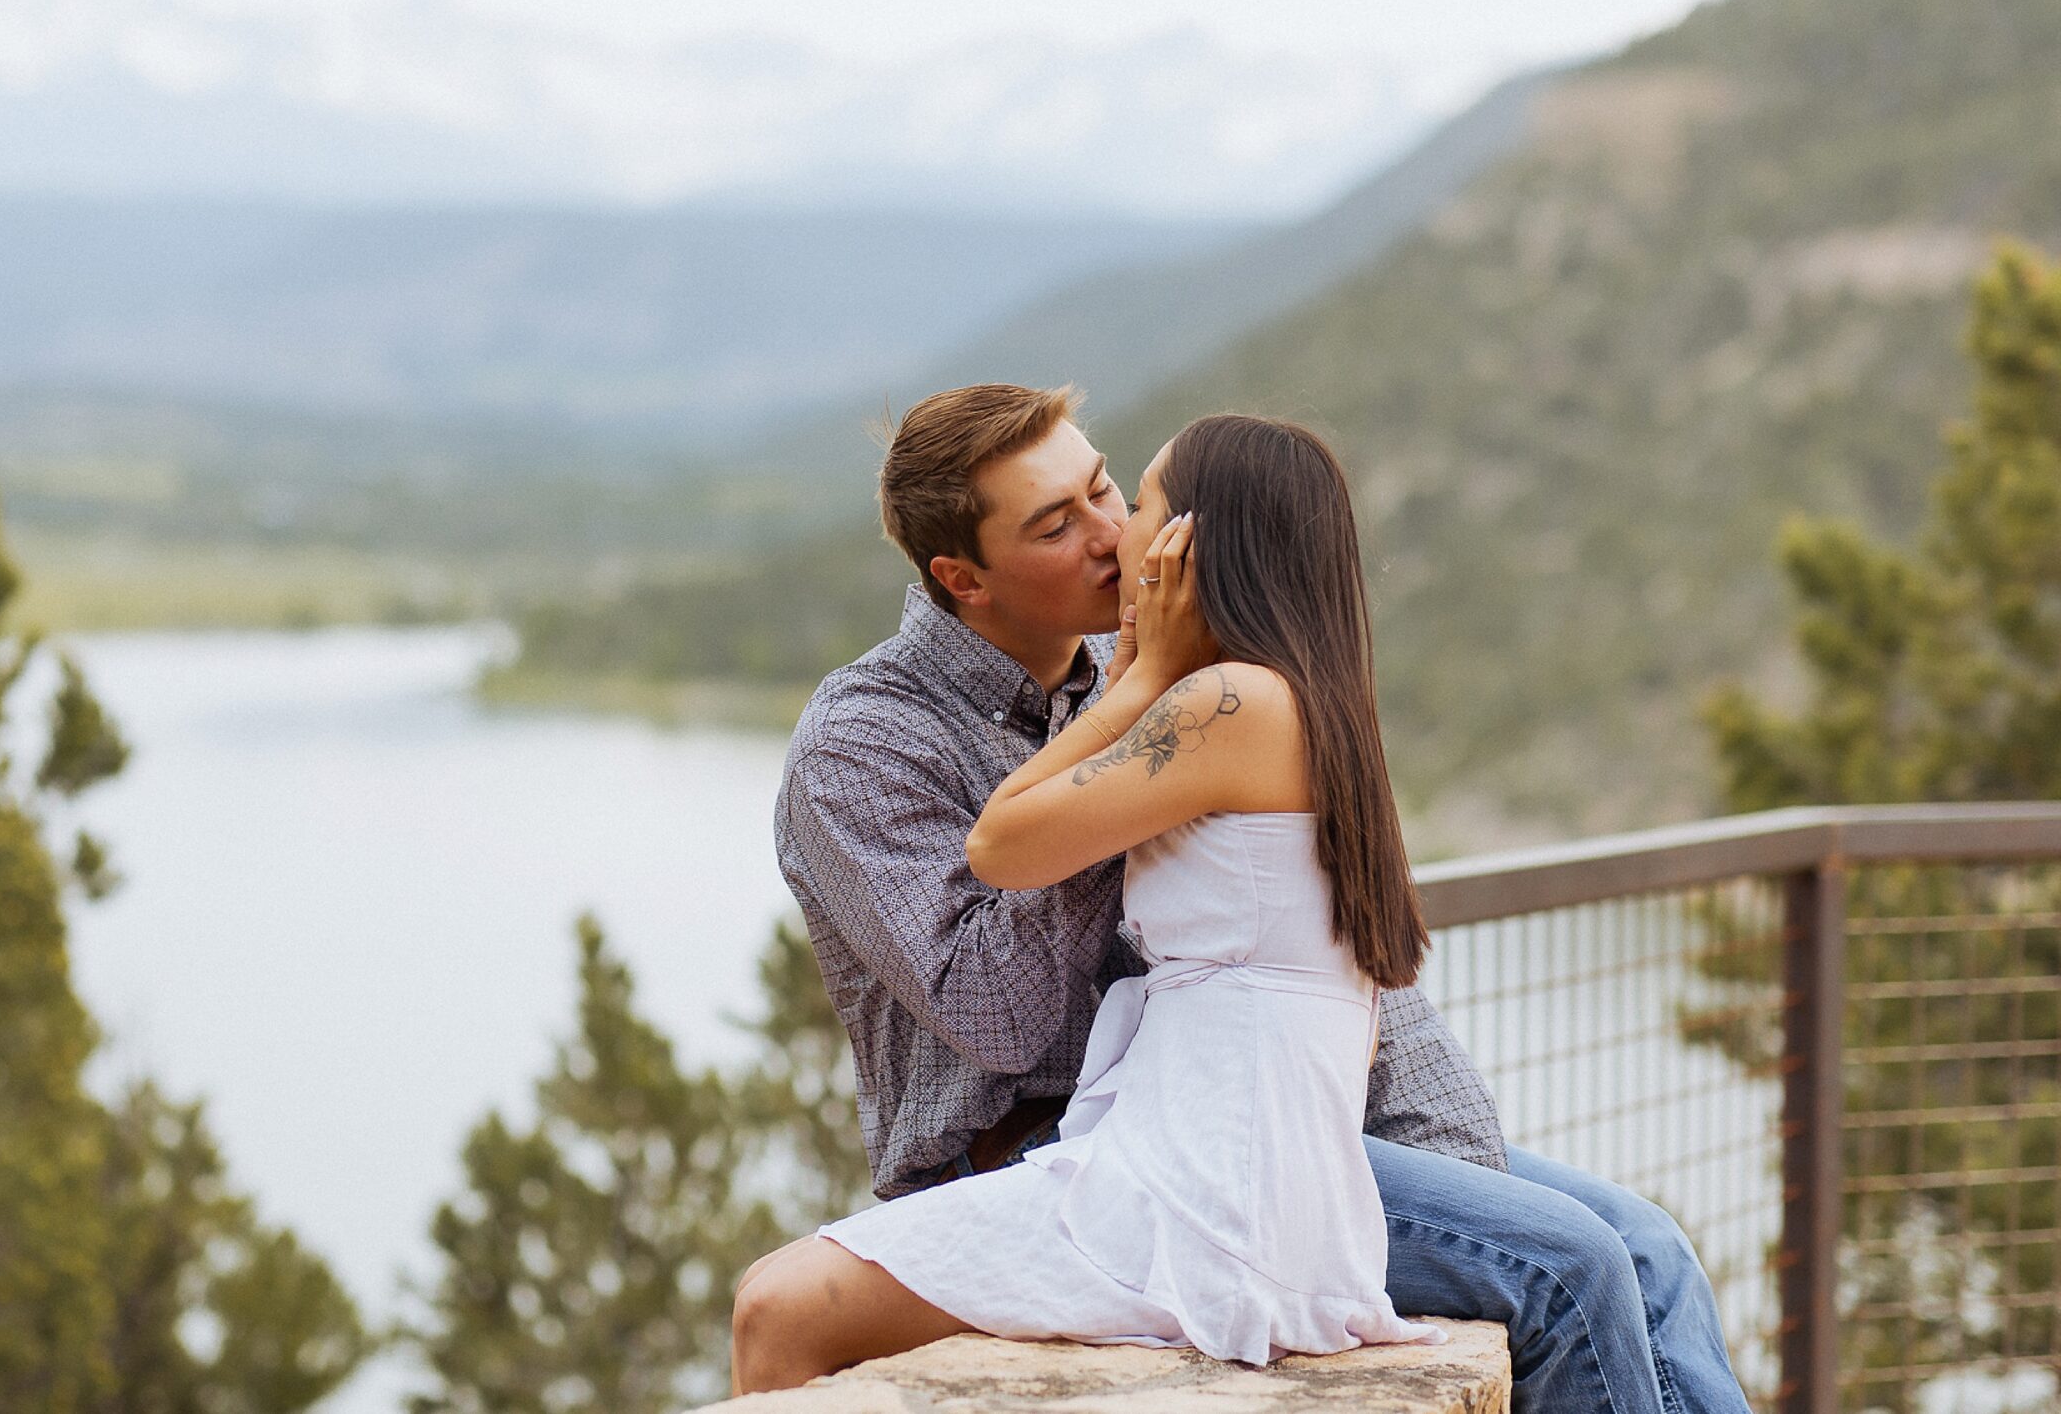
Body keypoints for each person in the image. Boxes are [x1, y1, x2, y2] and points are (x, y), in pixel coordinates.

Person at [731, 386, 1749, 1413]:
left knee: (1646, 1246)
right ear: (962, 576)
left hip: (1240, 1120)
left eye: (1106, 490)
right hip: (1044, 1148)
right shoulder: (867, 740)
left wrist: (1454, 1159)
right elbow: (1002, 1016)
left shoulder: (1157, 670)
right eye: (1056, 523)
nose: (1112, 534)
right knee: (1570, 1264)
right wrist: (1135, 732)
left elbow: (1320, 932)